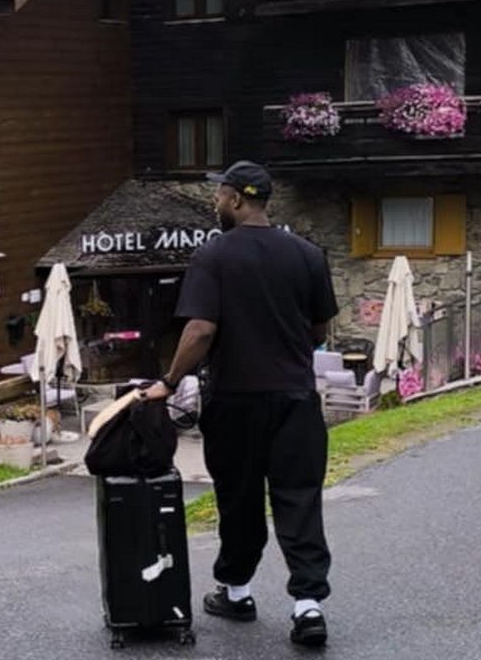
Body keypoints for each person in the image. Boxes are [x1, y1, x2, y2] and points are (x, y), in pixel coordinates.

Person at [142, 160, 339, 649]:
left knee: (240, 500)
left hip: (236, 400)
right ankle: (308, 607)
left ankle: (237, 592)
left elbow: (200, 330)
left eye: (219, 196)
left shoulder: (214, 256)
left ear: (234, 199)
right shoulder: (307, 254)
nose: (216, 203)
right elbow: (319, 328)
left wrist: (170, 382)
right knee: (299, 498)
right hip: (296, 399)